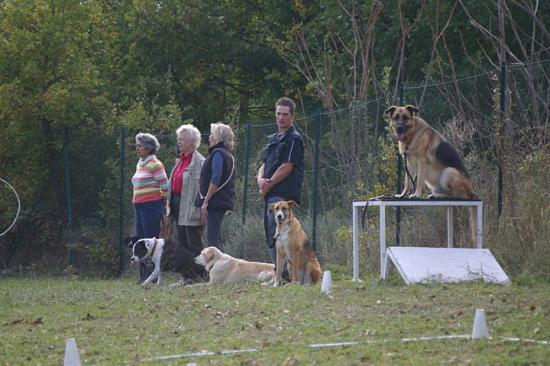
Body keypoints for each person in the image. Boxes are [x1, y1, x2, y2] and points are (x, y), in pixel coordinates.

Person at [257, 97, 305, 264]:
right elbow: (264, 163)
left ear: (292, 116)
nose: (281, 118)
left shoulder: (294, 138)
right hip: (270, 193)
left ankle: (286, 274)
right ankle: (277, 272)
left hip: (283, 194)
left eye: (285, 114)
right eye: (278, 113)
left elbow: (287, 166)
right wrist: (260, 180)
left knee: (281, 233)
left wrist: (268, 184)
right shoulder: (273, 138)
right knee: (271, 232)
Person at [132, 132, 169, 282]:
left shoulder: (156, 164)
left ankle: (153, 277)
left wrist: (163, 204)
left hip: (151, 207)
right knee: (140, 242)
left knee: (150, 244)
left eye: (140, 146)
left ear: (148, 148)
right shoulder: (140, 164)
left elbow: (165, 185)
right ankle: (144, 277)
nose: (137, 148)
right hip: (139, 207)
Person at [167, 124, 205, 267]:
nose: (179, 142)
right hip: (177, 204)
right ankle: (187, 274)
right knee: (182, 242)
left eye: (181, 139)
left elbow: (203, 188)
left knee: (194, 242)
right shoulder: (179, 161)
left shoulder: (200, 162)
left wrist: (201, 208)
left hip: (191, 206)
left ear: (192, 142)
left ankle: (200, 273)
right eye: (179, 139)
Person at [199, 122, 236, 252]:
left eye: (212, 135)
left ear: (218, 137)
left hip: (216, 201)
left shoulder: (218, 154)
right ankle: (222, 269)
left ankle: (221, 269)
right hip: (222, 200)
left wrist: (206, 201)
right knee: (215, 236)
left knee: (213, 238)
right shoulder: (227, 154)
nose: (209, 137)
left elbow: (215, 179)